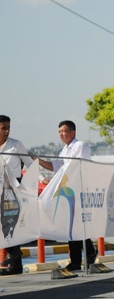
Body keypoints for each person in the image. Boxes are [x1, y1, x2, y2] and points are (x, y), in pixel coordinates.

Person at [38, 120, 99, 272]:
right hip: (67, 191)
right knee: (71, 226)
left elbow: (81, 166)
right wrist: (36, 160)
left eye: (64, 131)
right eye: (59, 132)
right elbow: (55, 167)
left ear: (73, 132)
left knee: (75, 225)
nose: (61, 134)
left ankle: (81, 258)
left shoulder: (80, 146)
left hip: (77, 190)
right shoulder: (64, 150)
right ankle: (84, 256)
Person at [0, 115, 34, 276]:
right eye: (3, 128)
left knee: (9, 223)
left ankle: (14, 258)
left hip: (13, 190)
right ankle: (15, 261)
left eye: (8, 128)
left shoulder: (16, 145)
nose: (7, 131)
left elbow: (30, 164)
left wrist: (41, 181)